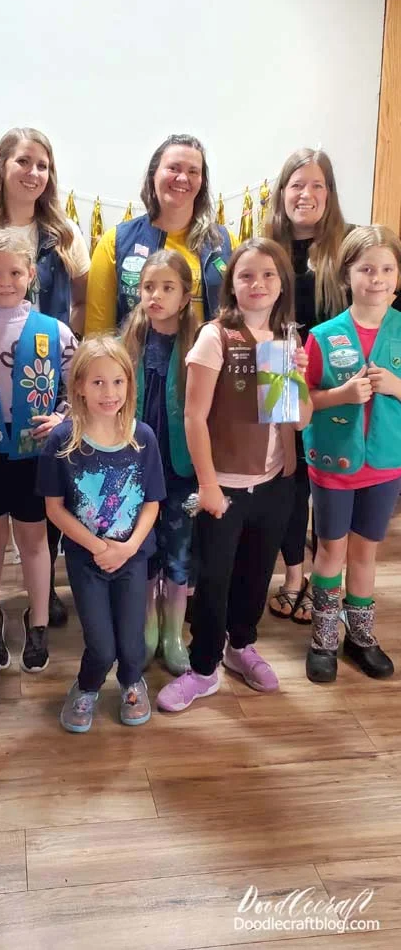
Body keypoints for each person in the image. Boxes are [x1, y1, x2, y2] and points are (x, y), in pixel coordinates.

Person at [157, 238, 312, 712]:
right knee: (216, 577)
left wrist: (300, 375)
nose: (258, 284)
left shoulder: (288, 339)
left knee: (256, 573)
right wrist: (207, 484)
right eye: (246, 275)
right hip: (223, 484)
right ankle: (204, 668)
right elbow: (193, 417)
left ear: (282, 283)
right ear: (232, 285)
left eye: (268, 275)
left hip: (276, 481)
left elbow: (300, 420)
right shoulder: (215, 335)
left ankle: (240, 646)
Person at [0, 127, 89, 633]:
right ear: (2, 166)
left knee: (37, 518)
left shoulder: (64, 236)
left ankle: (39, 605)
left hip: (41, 391)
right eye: (23, 161)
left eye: (42, 165)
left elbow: (83, 309)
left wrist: (68, 401)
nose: (33, 173)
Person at [0, 229, 77, 674]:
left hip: (35, 454)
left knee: (35, 540)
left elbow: (78, 387)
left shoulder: (55, 331)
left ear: (31, 275)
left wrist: (63, 416)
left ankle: (38, 620)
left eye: (15, 272)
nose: (5, 281)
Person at [38, 336, 166, 732]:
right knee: (102, 646)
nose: (109, 393)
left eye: (117, 382)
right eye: (97, 383)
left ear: (129, 384)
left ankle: (132, 683)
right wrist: (97, 547)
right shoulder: (62, 441)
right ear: (78, 385)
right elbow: (54, 508)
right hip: (86, 560)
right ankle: (88, 685)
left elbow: (151, 503)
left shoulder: (142, 436)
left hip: (132, 557)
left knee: (132, 645)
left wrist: (127, 548)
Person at [303, 225, 401, 683]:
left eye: (386, 268)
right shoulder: (323, 336)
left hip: (384, 464)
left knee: (366, 553)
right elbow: (302, 405)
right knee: (330, 550)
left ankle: (360, 636)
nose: (376, 278)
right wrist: (341, 394)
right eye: (365, 269)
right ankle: (323, 637)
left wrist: (396, 387)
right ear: (347, 275)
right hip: (333, 466)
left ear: (397, 274)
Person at [265, 148, 349, 624]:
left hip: (335, 383)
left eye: (318, 185)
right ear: (282, 192)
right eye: (297, 184)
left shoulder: (347, 247)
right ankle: (293, 574)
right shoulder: (266, 245)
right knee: (288, 481)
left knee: (330, 484)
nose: (306, 194)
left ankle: (325, 579)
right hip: (278, 375)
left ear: (330, 194)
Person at [122, 250, 198, 675]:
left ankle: (173, 632)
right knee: (144, 550)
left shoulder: (196, 343)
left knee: (180, 552)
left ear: (185, 296)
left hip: (180, 469)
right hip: (136, 470)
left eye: (168, 288)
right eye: (149, 287)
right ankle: (148, 628)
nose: (156, 295)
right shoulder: (129, 341)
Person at [85, 133, 237, 335]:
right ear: (153, 175)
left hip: (211, 366)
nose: (183, 178)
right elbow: (98, 336)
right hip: (136, 365)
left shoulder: (226, 243)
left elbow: (244, 319)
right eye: (173, 168)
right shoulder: (115, 242)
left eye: (193, 171)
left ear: (202, 182)